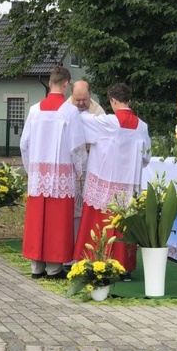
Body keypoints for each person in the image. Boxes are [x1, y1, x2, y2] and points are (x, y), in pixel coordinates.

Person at [73, 82, 151, 274]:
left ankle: (97, 262)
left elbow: (81, 120)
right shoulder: (142, 126)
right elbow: (146, 158)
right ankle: (124, 266)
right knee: (123, 224)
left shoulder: (108, 122)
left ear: (114, 101)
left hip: (105, 184)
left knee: (100, 223)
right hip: (128, 188)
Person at [20, 66, 87, 278]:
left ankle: (36, 267)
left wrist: (32, 169)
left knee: (38, 220)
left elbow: (24, 144)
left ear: (50, 83)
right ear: (66, 84)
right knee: (57, 222)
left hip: (40, 175)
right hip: (61, 175)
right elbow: (77, 147)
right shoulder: (69, 112)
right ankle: (53, 267)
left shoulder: (34, 110)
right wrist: (80, 171)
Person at [66, 80, 105, 251]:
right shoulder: (64, 110)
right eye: (77, 100)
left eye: (85, 100)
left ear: (90, 96)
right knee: (71, 208)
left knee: (88, 208)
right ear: (71, 96)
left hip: (91, 163)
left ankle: (87, 246)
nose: (81, 104)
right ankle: (70, 245)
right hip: (69, 164)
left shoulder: (98, 112)